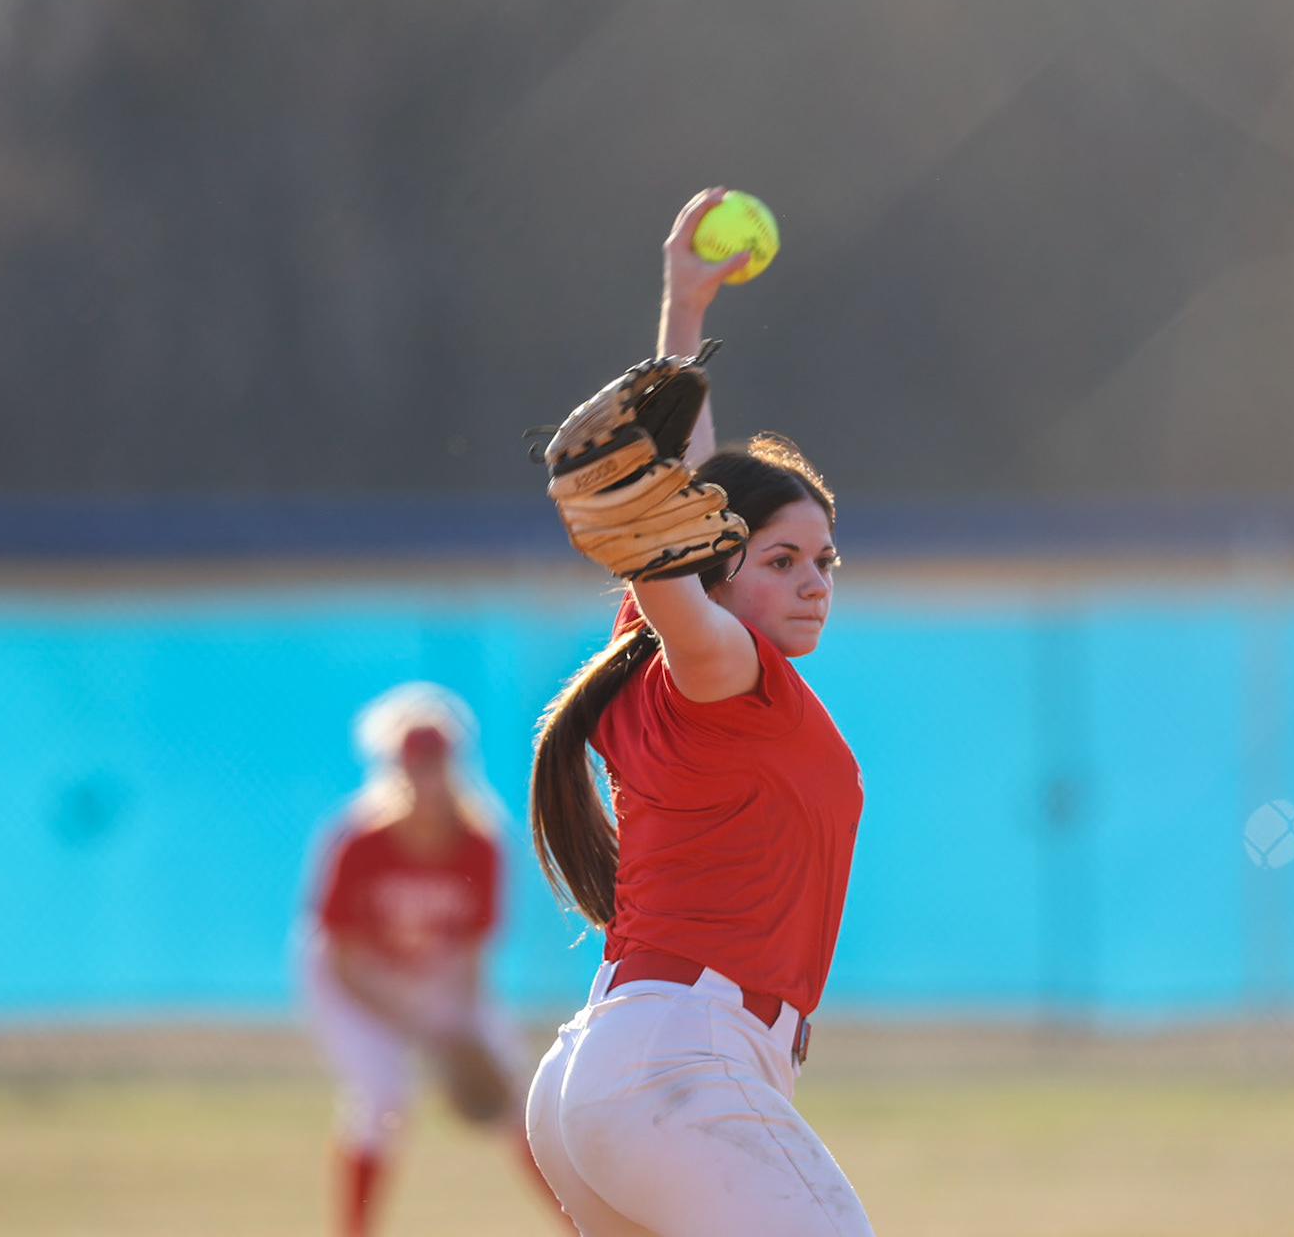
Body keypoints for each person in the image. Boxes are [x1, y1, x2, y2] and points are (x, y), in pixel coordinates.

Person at [524, 187, 874, 1237]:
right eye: (781, 560)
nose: (814, 581)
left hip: (605, 1067)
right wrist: (653, 526)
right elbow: (671, 536)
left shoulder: (657, 657)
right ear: (716, 572)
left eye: (824, 560)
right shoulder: (723, 669)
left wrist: (686, 307)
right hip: (679, 1061)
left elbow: (681, 493)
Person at [299, 682, 567, 1237]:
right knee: (381, 1097)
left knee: (521, 1101)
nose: (425, 776)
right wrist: (423, 1035)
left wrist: (461, 1034)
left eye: (436, 763)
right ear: (393, 769)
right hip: (356, 979)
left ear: (455, 766)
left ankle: (579, 1227)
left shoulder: (480, 841)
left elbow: (471, 960)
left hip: (437, 976)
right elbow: (342, 962)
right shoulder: (358, 841)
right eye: (414, 765)